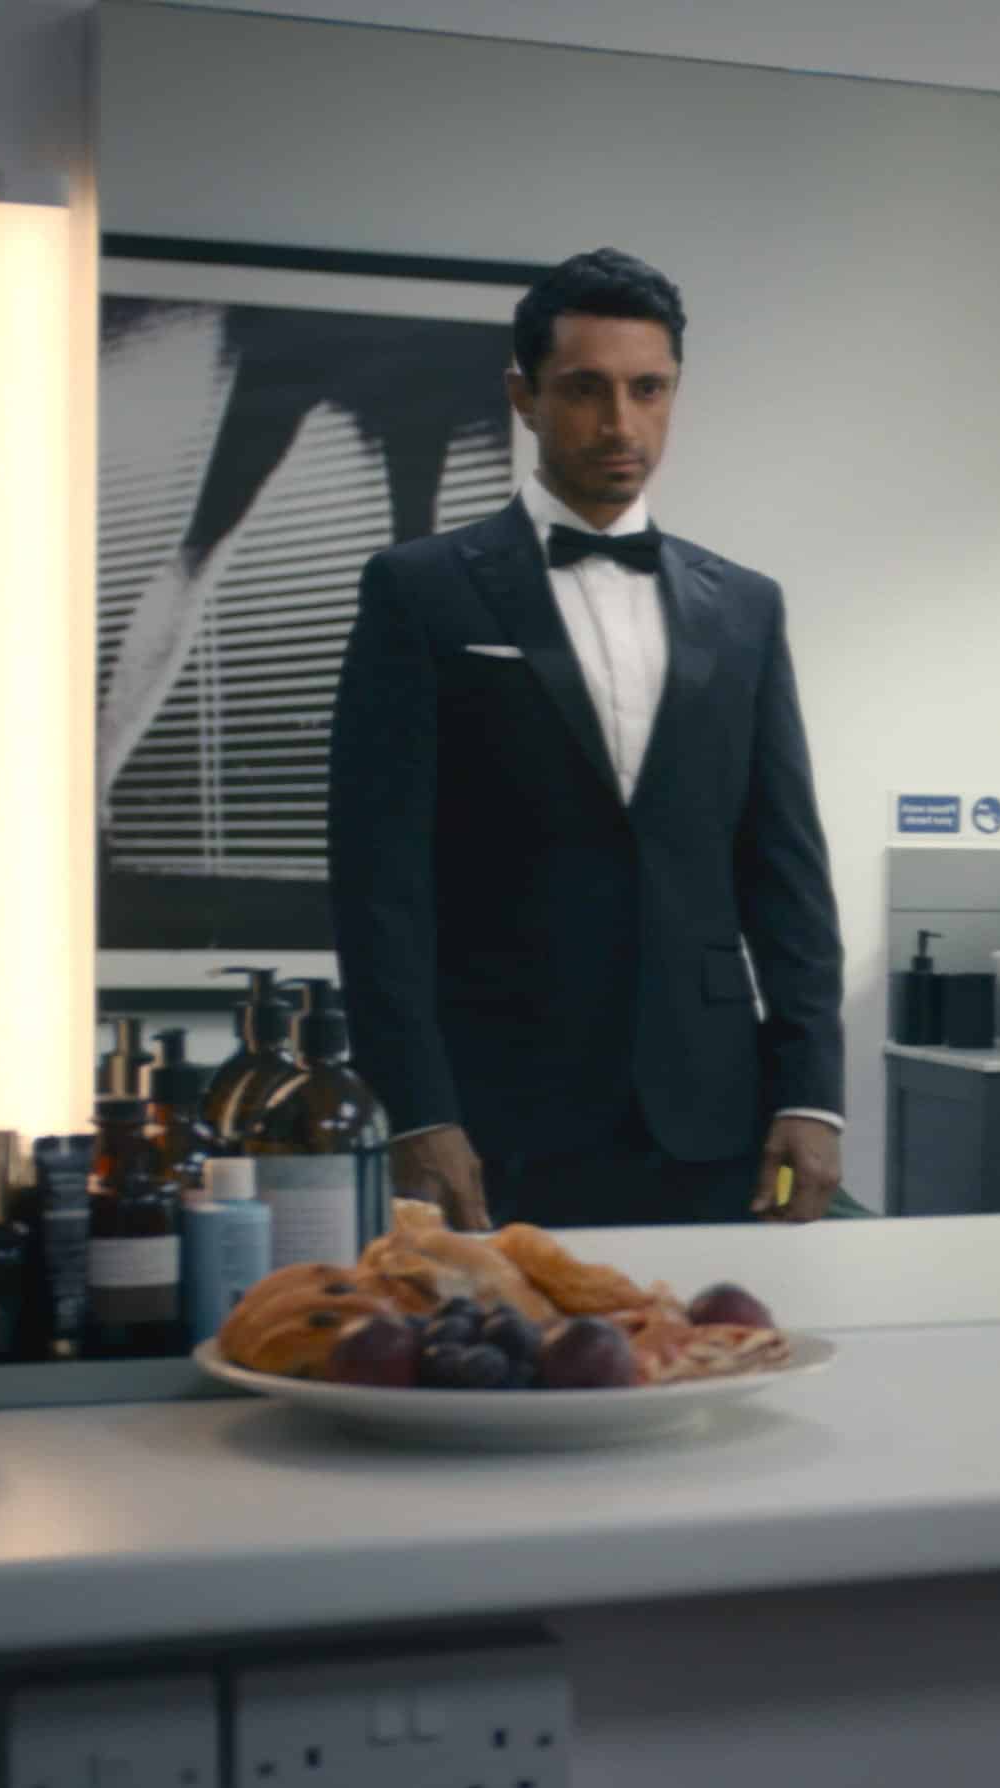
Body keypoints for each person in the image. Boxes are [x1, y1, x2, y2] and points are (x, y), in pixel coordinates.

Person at [328, 247, 846, 1230]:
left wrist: (810, 1092)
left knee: (710, 1364)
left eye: (649, 389)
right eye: (585, 390)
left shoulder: (746, 606)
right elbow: (377, 882)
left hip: (714, 1112)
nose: (621, 425)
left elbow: (785, 869)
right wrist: (418, 1109)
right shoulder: (419, 590)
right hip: (498, 1117)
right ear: (523, 396)